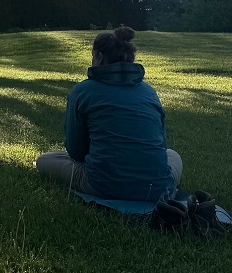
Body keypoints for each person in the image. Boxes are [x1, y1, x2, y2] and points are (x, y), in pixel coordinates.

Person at [36, 27, 181, 202]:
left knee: (44, 160)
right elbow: (162, 145)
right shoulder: (149, 92)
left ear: (99, 56)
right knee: (173, 155)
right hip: (157, 190)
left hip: (102, 185)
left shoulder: (83, 91)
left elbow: (76, 151)